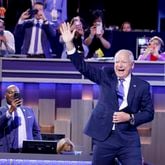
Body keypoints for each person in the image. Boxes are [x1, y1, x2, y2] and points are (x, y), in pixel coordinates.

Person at [59, 22, 154, 165]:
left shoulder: (142, 86)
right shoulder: (106, 76)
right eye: (117, 62)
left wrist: (130, 117)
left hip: (128, 139)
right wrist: (69, 44)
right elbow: (82, 67)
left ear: (132, 65)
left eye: (123, 62)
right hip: (105, 138)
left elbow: (148, 113)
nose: (119, 65)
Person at [0, 85, 42, 152]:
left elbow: (36, 132)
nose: (13, 94)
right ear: (5, 95)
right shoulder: (1, 110)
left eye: (16, 93)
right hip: (7, 151)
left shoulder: (29, 110)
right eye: (10, 92)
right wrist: (10, 111)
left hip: (28, 151)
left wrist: (39, 148)